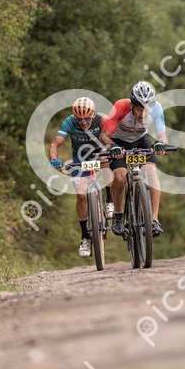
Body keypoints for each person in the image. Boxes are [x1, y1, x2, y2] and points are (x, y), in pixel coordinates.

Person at [100, 81, 168, 237]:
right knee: (120, 177)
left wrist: (161, 144)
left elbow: (162, 134)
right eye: (139, 109)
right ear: (132, 105)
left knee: (152, 173)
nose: (143, 114)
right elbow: (104, 136)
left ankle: (154, 220)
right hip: (118, 143)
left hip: (141, 140)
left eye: (147, 110)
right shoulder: (120, 106)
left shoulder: (157, 108)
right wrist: (112, 147)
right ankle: (118, 215)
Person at [49, 97, 113, 257]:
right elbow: (55, 144)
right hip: (80, 158)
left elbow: (114, 137)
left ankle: (110, 200)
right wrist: (54, 159)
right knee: (81, 196)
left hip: (100, 153)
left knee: (106, 162)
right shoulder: (70, 122)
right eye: (80, 119)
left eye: (86, 119)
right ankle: (85, 237)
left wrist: (114, 149)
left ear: (93, 114)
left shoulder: (102, 119)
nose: (83, 123)